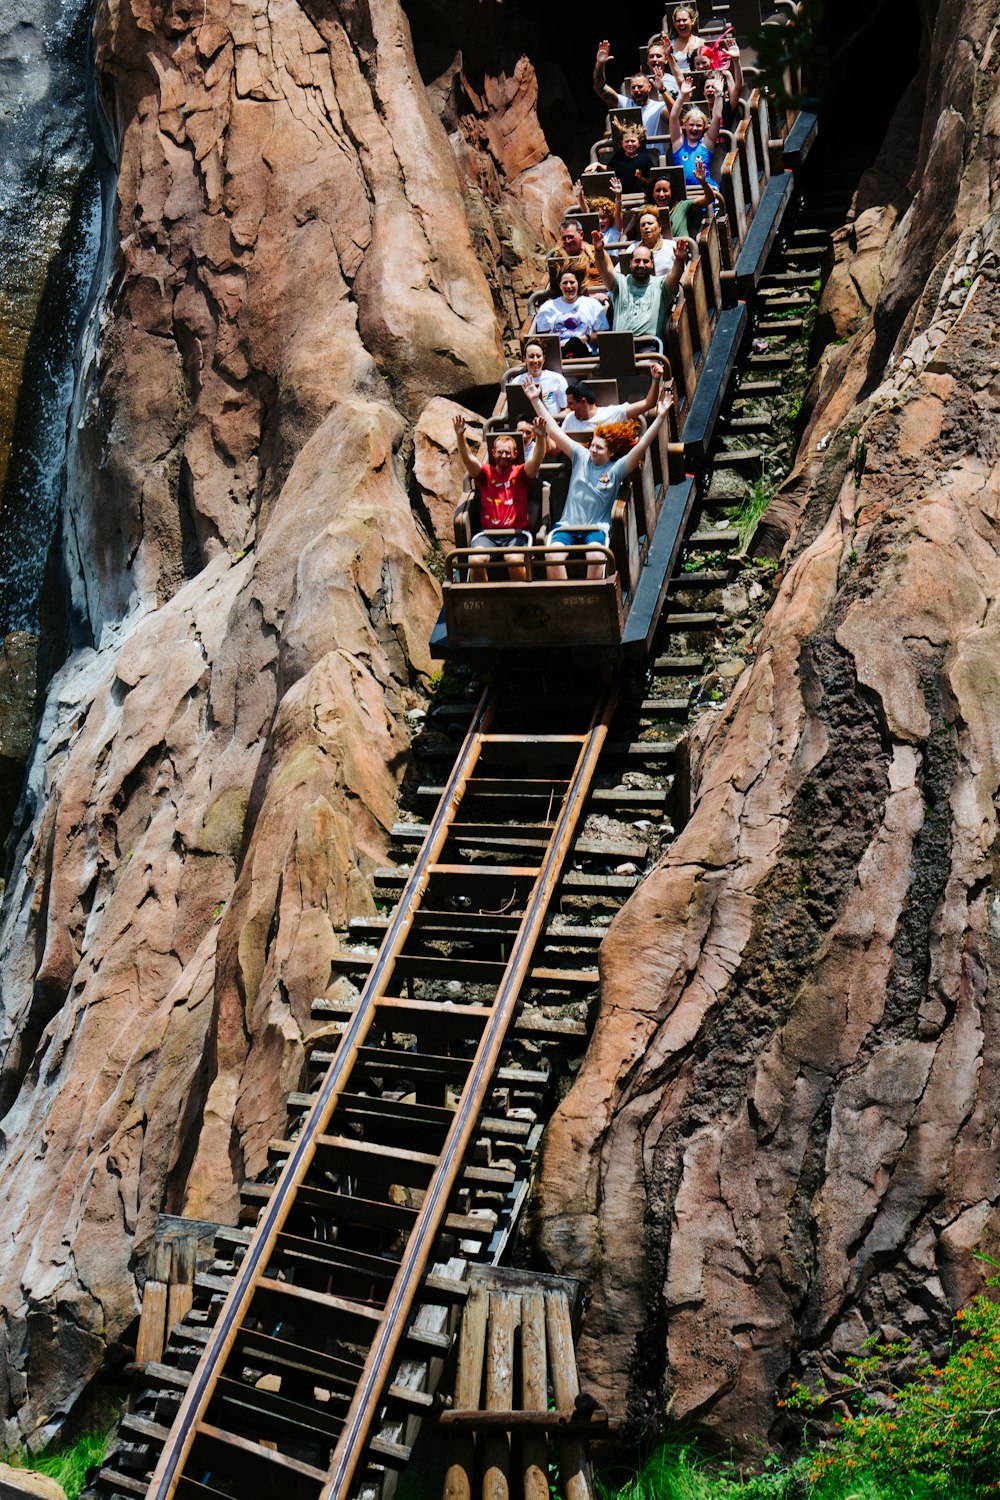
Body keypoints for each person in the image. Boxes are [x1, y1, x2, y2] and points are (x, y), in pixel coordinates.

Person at [522, 379, 675, 579]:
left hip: (595, 529)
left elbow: (641, 445)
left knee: (596, 555)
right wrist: (535, 400)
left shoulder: (616, 469)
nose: (593, 449)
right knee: (553, 555)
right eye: (592, 445)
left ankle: (592, 598)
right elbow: (554, 430)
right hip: (568, 526)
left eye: (599, 447)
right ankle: (566, 598)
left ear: (610, 452)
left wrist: (661, 417)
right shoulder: (580, 455)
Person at [453, 416, 546, 581]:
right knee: (475, 559)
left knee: (514, 559)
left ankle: (520, 601)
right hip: (488, 535)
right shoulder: (485, 474)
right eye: (500, 452)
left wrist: (539, 438)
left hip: (516, 534)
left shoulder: (520, 473)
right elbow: (468, 459)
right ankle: (484, 601)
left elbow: (536, 461)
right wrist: (460, 436)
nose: (504, 456)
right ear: (493, 453)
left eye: (508, 452)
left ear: (515, 454)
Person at [592, 229, 689, 340]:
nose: (641, 265)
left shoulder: (660, 285)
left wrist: (679, 260)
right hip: (621, 344)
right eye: (637, 261)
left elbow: (674, 277)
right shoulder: (621, 283)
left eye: (646, 261)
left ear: (652, 264)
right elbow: (605, 270)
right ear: (630, 263)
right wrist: (599, 251)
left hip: (648, 346)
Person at [563, 361, 669, 432]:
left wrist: (655, 379)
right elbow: (554, 450)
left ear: (582, 402)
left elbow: (648, 403)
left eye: (571, 403)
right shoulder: (569, 419)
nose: (568, 407)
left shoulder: (613, 413)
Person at [593, 44, 666, 134]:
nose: (636, 90)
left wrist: (662, 90)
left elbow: (677, 115)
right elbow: (600, 88)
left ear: (649, 87)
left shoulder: (658, 107)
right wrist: (600, 64)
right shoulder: (626, 104)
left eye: (640, 86)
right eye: (633, 87)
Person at [536, 269, 610, 356]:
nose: (568, 286)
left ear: (578, 284)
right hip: (560, 354)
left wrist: (587, 338)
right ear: (559, 285)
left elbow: (603, 334)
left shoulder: (592, 304)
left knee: (576, 343)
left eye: (572, 282)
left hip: (585, 352)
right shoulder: (548, 307)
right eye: (565, 283)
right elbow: (543, 339)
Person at [670, 78, 723, 192]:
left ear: (704, 127)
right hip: (683, 190)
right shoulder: (678, 143)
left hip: (706, 188)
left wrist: (719, 93)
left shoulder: (706, 143)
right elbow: (673, 117)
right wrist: (682, 95)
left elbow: (717, 117)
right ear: (684, 125)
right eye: (691, 125)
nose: (694, 128)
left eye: (699, 125)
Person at [510, 339, 568, 417]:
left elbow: (567, 408)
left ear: (543, 359)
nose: (535, 360)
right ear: (524, 359)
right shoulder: (516, 382)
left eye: (538, 356)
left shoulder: (557, 379)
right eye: (531, 356)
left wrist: (553, 422)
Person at [549, 218, 605, 295]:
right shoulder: (558, 258)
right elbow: (554, 288)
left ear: (581, 235)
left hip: (597, 297)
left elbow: (610, 278)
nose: (568, 241)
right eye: (564, 238)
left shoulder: (595, 252)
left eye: (571, 237)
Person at [608, 123, 657, 197]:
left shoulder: (645, 159)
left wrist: (642, 179)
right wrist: (597, 165)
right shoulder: (618, 157)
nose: (630, 144)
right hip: (621, 196)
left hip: (640, 196)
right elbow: (609, 168)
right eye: (627, 141)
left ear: (639, 143)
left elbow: (652, 177)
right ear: (622, 143)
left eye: (633, 141)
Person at [575, 176, 626, 245]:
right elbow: (586, 214)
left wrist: (618, 195)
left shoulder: (615, 229)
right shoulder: (593, 233)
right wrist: (580, 196)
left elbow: (617, 213)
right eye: (597, 218)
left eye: (603, 217)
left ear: (610, 218)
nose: (600, 221)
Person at [632, 209, 680, 276]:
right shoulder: (633, 248)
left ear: (659, 227)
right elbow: (618, 272)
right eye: (643, 225)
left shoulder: (672, 246)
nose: (646, 227)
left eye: (650, 223)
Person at [665, 6, 704, 73]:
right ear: (674, 24)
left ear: (692, 21)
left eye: (684, 20)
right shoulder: (669, 45)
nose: (681, 23)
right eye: (678, 21)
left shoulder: (700, 43)